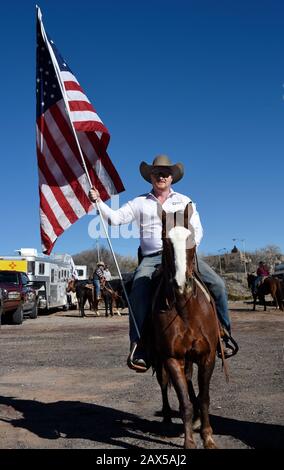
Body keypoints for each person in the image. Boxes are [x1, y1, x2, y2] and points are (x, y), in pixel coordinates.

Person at [89, 155, 235, 370]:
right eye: (157, 173)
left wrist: (186, 249)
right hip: (152, 257)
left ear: (172, 178)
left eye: (166, 173)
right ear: (151, 176)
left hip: (184, 254)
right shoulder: (139, 202)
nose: (162, 176)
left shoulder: (185, 201)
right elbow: (115, 219)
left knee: (218, 285)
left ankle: (223, 334)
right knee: (138, 289)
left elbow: (198, 229)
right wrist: (98, 202)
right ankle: (139, 345)